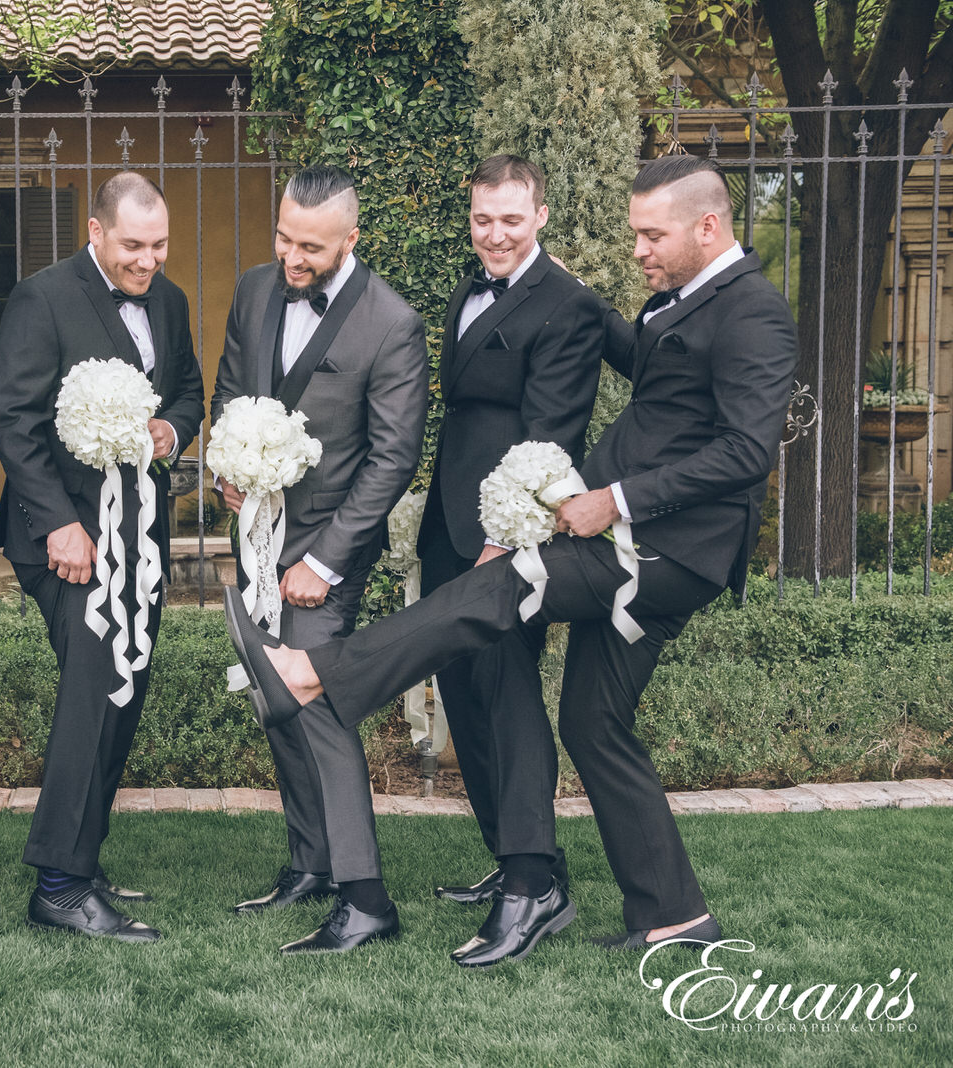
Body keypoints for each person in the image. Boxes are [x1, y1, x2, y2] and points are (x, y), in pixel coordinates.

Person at [226, 153, 796, 953]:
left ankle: (324, 674)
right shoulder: (678, 305)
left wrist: (607, 501)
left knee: (499, 596)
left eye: (650, 234)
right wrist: (593, 307)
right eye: (481, 220)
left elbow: (746, 451)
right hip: (620, 534)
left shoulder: (753, 312)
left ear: (709, 226)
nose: (638, 249)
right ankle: (676, 916)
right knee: (593, 723)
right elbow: (649, 371)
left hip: (662, 548)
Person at [210, 165, 426, 953]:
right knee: (275, 701)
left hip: (325, 553)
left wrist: (328, 561)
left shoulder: (392, 323)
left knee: (319, 704)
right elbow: (231, 389)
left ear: (351, 240)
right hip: (256, 535)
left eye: (310, 247)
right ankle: (310, 863)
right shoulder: (255, 289)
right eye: (282, 237)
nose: (290, 259)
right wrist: (231, 465)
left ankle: (366, 897)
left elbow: (392, 459)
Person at [0, 172, 205, 942]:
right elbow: (13, 419)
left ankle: (84, 854)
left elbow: (189, 392)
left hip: (140, 538)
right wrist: (58, 523)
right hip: (67, 542)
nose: (149, 261)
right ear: (95, 230)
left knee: (126, 688)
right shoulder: (42, 298)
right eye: (134, 246)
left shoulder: (171, 301)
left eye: (160, 245)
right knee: (92, 679)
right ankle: (59, 882)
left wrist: (170, 432)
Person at [418, 155, 607, 967]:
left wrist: (506, 536)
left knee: (508, 694)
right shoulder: (473, 284)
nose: (494, 235)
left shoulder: (566, 306)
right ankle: (512, 861)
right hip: (447, 521)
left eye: (510, 219)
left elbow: (551, 435)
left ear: (540, 216)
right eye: (482, 220)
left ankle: (535, 885)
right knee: (464, 692)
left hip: (506, 531)